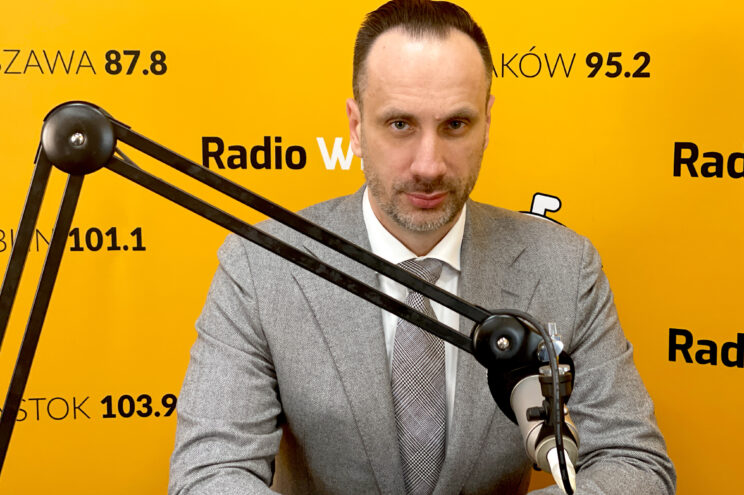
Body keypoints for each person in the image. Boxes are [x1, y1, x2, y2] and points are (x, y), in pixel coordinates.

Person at [169, 1, 676, 494]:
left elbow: (635, 464)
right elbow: (207, 474)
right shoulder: (260, 265)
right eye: (400, 125)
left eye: (455, 125)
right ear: (355, 127)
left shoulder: (564, 267)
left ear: (486, 123)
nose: (428, 165)